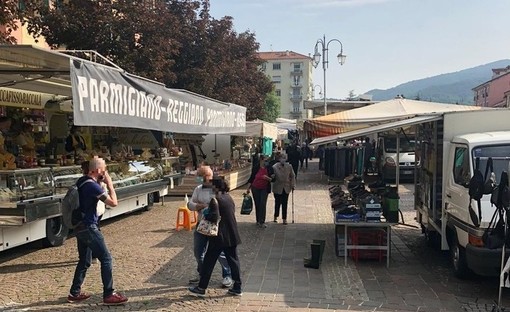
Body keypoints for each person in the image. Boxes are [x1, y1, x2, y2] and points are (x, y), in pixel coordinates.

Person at [67, 156, 128, 305]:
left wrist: (101, 182)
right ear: (99, 170)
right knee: (106, 258)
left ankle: (74, 292)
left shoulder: (82, 181)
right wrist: (110, 184)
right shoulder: (92, 186)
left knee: (85, 261)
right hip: (89, 227)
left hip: (79, 227)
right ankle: (109, 294)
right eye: (105, 169)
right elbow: (113, 203)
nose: (106, 172)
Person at [188, 176, 243, 297]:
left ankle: (201, 288)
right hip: (232, 234)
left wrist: (206, 213)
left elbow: (213, 217)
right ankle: (238, 287)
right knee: (233, 261)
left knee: (208, 261)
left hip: (218, 236)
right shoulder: (229, 197)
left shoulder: (215, 200)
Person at [187, 165, 233, 288]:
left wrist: (210, 207)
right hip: (201, 224)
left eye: (199, 176)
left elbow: (223, 204)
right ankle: (202, 273)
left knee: (220, 252)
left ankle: (227, 274)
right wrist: (198, 206)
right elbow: (190, 204)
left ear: (207, 176)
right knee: (198, 251)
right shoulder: (198, 189)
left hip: (215, 225)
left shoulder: (217, 188)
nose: (197, 178)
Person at [246, 154, 273, 228]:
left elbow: (273, 179)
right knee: (257, 204)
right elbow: (251, 178)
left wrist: (268, 178)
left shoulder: (269, 168)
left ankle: (262, 221)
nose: (266, 162)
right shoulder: (256, 167)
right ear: (261, 160)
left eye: (267, 160)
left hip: (265, 187)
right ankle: (258, 220)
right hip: (255, 187)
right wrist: (248, 188)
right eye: (265, 160)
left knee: (263, 204)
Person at [272, 153, 296, 224]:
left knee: (285, 203)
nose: (283, 159)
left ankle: (284, 218)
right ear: (279, 159)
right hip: (277, 186)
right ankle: (276, 216)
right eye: (282, 157)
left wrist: (293, 185)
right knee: (277, 202)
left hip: (286, 186)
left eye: (284, 157)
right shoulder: (275, 167)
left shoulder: (289, 166)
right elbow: (273, 176)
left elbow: (293, 176)